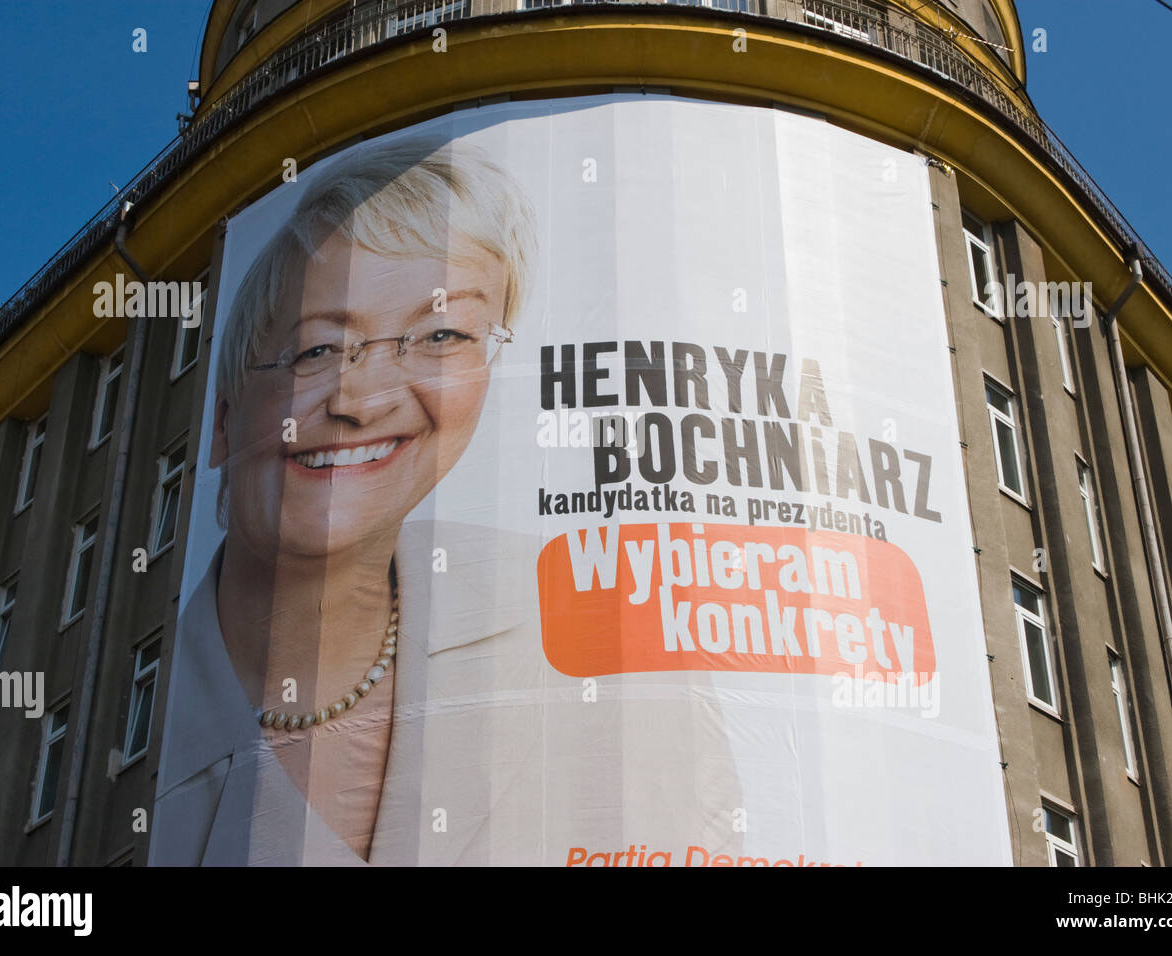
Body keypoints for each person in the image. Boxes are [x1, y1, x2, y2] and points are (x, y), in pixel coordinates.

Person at [151, 134, 746, 866]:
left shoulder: (608, 628)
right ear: (222, 420)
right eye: (318, 350)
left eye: (440, 335)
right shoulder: (131, 730)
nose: (360, 401)